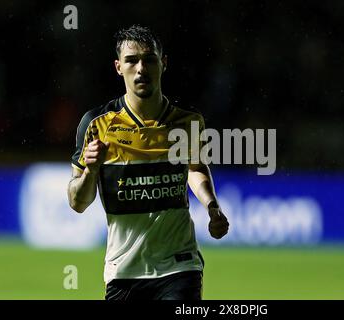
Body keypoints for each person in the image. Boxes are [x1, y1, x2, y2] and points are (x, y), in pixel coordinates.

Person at [67, 24, 229, 300]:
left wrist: (212, 206)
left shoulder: (188, 122)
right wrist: (91, 171)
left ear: (163, 64)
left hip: (179, 267)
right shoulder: (96, 124)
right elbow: (77, 203)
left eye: (149, 59)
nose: (141, 68)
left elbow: (195, 168)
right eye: (131, 60)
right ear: (119, 67)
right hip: (123, 272)